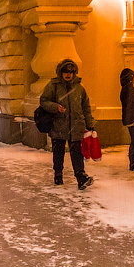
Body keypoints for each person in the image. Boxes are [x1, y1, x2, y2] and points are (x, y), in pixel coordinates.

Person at [40, 58, 96, 190]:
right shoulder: (53, 86)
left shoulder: (79, 88)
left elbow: (86, 107)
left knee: (77, 153)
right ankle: (58, 175)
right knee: (58, 152)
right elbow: (43, 101)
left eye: (70, 72)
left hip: (76, 126)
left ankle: (81, 177)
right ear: (60, 72)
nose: (68, 74)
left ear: (74, 72)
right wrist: (55, 107)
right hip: (58, 125)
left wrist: (89, 123)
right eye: (65, 71)